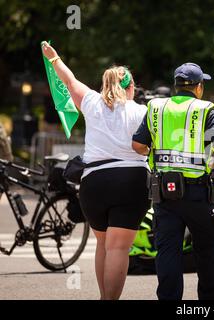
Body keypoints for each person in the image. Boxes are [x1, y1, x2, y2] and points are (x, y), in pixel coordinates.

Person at [131, 62, 214, 300]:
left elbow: (137, 145)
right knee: (208, 253)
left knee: (167, 252)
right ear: (199, 87)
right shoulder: (206, 109)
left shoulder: (156, 107)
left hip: (165, 194)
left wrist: (159, 154)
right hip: (198, 194)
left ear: (177, 86)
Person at [41, 42, 150, 300]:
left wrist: (54, 58)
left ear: (104, 85)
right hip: (130, 181)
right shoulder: (142, 111)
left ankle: (104, 298)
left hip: (94, 182)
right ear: (131, 87)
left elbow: (69, 81)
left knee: (103, 245)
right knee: (119, 249)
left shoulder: (91, 101)